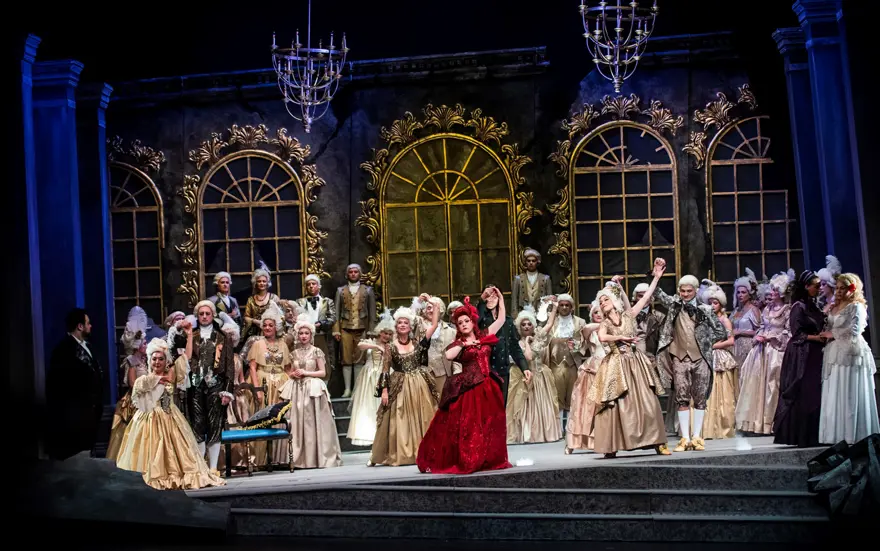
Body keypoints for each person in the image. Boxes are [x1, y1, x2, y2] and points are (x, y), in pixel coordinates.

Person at [416, 294, 512, 474]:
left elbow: (500, 320)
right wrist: (464, 343)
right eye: (460, 323)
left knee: (489, 424)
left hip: (488, 387)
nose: (464, 324)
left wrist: (500, 299)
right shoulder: (458, 343)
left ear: (473, 322)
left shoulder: (484, 335)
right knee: (471, 426)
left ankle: (487, 459)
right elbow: (449, 355)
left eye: (466, 321)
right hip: (471, 388)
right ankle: (471, 459)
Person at [116, 337, 224, 489]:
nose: (157, 362)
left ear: (166, 361)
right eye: (154, 359)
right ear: (150, 360)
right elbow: (138, 389)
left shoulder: (171, 374)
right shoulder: (145, 380)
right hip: (149, 419)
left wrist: (188, 335)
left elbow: (185, 358)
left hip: (170, 416)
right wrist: (155, 380)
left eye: (161, 359)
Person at [589, 259, 670, 458]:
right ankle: (612, 445)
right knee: (616, 404)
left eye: (605, 300)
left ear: (613, 301)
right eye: (600, 301)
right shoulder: (605, 323)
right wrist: (620, 338)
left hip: (635, 363)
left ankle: (658, 442)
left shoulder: (628, 315)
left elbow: (646, 297)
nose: (602, 303)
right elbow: (602, 337)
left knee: (647, 401)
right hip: (616, 364)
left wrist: (656, 278)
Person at [654, 272, 727, 452]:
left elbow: (721, 332)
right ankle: (685, 438)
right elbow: (658, 294)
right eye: (682, 291)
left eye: (689, 291)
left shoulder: (705, 309)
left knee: (700, 397)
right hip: (679, 357)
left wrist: (704, 343)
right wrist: (656, 276)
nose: (685, 294)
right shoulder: (674, 305)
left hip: (700, 358)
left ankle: (697, 437)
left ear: (695, 291)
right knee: (682, 397)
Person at [370, 304, 439, 467]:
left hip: (419, 384)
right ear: (396, 326)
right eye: (400, 322)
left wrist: (433, 306)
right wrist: (384, 391)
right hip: (399, 385)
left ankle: (424, 452)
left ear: (410, 326)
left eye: (405, 323)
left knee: (423, 415)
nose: (402, 325)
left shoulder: (417, 342)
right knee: (399, 417)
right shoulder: (390, 346)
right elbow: (385, 369)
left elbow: (434, 325)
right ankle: (402, 453)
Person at [819, 273, 880, 444]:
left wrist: (833, 334)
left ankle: (853, 433)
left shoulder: (856, 306)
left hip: (850, 351)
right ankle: (835, 434)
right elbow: (828, 323)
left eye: (842, 288)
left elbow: (855, 329)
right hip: (834, 352)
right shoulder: (835, 306)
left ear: (851, 289)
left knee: (849, 390)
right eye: (837, 288)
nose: (838, 291)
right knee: (835, 390)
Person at [279, 314, 343, 469]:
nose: (303, 336)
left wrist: (306, 373)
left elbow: (323, 372)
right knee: (297, 422)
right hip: (296, 389)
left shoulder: (316, 351)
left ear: (311, 335)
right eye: (301, 333)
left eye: (306, 333)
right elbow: (290, 371)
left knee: (312, 422)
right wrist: (293, 374)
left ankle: (317, 457)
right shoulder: (293, 353)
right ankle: (299, 458)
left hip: (312, 388)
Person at [735, 270, 794, 435]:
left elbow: (789, 332)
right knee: (757, 385)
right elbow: (762, 326)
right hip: (762, 351)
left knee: (773, 385)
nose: (772, 293)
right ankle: (758, 423)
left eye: (775, 290)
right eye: (772, 290)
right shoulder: (767, 309)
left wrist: (771, 338)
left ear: (781, 293)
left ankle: (772, 423)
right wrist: (759, 335)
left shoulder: (787, 310)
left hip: (776, 351)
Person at [773, 270, 826, 447]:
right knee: (804, 391)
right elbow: (797, 334)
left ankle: (813, 434)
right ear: (806, 286)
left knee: (814, 392)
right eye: (816, 286)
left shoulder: (814, 305)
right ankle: (799, 435)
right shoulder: (798, 306)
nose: (819, 289)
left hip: (815, 352)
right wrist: (817, 337)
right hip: (802, 353)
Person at [46, 308, 104, 460]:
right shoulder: (63, 350)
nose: (90, 326)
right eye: (88, 323)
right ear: (80, 326)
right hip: (76, 414)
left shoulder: (88, 346)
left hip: (91, 411)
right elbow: (59, 385)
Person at [187, 300, 235, 475]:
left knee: (215, 425)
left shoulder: (223, 336)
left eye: (208, 313)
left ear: (213, 315)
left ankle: (213, 467)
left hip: (216, 386)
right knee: (198, 425)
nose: (205, 317)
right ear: (197, 316)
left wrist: (228, 390)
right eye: (201, 314)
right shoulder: (191, 336)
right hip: (195, 386)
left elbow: (229, 366)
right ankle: (201, 467)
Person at [506, 305, 561, 444]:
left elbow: (549, 324)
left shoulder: (538, 338)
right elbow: (528, 357)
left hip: (539, 376)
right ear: (519, 327)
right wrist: (526, 342)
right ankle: (526, 434)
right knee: (523, 406)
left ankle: (541, 433)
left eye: (529, 324)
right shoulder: (517, 343)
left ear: (533, 326)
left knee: (541, 406)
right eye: (523, 324)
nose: (526, 327)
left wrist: (554, 309)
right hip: (525, 378)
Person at [247, 302, 293, 467]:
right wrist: (257, 389)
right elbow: (252, 367)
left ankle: (279, 458)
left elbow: (287, 368)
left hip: (281, 384)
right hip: (263, 382)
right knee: (263, 418)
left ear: (276, 327)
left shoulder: (283, 344)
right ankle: (260, 459)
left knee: (280, 417)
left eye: (270, 325)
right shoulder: (257, 344)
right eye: (265, 325)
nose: (267, 328)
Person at [106, 309, 149, 461]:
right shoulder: (132, 361)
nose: (147, 344)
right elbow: (132, 383)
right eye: (144, 343)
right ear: (138, 346)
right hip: (136, 400)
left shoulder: (146, 360)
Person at [348, 309, 395, 447]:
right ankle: (369, 433)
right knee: (368, 404)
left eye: (389, 334)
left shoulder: (392, 345)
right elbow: (360, 345)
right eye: (385, 333)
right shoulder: (371, 341)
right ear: (380, 332)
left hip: (385, 375)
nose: (387, 336)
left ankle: (384, 433)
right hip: (369, 375)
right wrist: (377, 346)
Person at [477, 284, 532, 403]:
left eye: (494, 296)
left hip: (502, 371)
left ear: (500, 298)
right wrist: (481, 301)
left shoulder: (507, 321)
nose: (491, 299)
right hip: (484, 372)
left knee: (501, 407)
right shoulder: (480, 320)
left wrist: (524, 368)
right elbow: (475, 320)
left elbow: (514, 347)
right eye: (488, 296)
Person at [698, 280, 739, 440]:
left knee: (722, 393)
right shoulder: (705, 319)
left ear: (720, 304)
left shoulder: (724, 320)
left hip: (720, 356)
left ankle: (722, 427)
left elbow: (731, 341)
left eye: (715, 303)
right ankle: (707, 428)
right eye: (710, 303)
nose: (712, 305)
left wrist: (714, 346)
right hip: (707, 356)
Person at [564, 299, 606, 453]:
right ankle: (574, 442)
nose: (599, 315)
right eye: (595, 312)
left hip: (611, 367)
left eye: (602, 312)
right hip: (594, 367)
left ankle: (605, 439)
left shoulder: (613, 329)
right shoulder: (590, 330)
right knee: (586, 406)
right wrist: (607, 323)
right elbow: (587, 328)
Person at [333, 263, 377, 398]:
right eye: (351, 272)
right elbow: (336, 312)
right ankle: (347, 389)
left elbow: (372, 313)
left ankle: (357, 388)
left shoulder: (368, 290)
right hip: (345, 328)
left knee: (360, 358)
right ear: (347, 274)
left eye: (355, 272)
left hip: (362, 328)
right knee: (346, 358)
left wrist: (371, 331)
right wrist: (336, 330)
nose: (353, 274)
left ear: (360, 274)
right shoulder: (340, 291)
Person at [296, 274, 337, 385]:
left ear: (319, 286)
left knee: (323, 360)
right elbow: (296, 316)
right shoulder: (300, 302)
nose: (311, 286)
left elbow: (332, 318)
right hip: (305, 337)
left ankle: (324, 386)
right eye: (308, 284)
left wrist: (322, 324)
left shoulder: (327, 301)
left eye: (313, 284)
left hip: (321, 335)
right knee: (306, 360)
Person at [511, 248, 553, 314]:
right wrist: (515, 315)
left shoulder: (545, 278)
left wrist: (549, 314)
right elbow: (514, 299)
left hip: (541, 314)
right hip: (523, 314)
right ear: (525, 262)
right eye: (528, 261)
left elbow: (550, 299)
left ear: (537, 262)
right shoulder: (518, 279)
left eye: (533, 261)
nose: (531, 263)